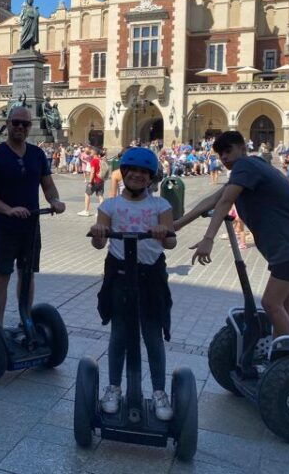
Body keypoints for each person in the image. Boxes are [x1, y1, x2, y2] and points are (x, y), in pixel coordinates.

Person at [175, 131, 289, 338]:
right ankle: (281, 346)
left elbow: (225, 202)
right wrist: (177, 225)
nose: (224, 157)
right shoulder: (251, 167)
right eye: (220, 154)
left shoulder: (244, 166)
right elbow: (213, 200)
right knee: (283, 302)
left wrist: (208, 239)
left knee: (271, 303)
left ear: (243, 148)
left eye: (228, 151)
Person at [89, 147, 177, 421]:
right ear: (124, 173)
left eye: (144, 172)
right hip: (119, 274)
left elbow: (171, 242)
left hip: (150, 276)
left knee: (152, 335)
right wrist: (99, 232)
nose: (138, 175)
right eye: (133, 171)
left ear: (151, 178)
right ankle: (114, 387)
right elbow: (99, 244)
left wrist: (163, 233)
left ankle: (159, 391)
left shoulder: (160, 206)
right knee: (119, 334)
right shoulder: (110, 206)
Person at [0, 106, 66, 326]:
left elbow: (48, 186)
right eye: (16, 122)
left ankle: (25, 321)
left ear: (30, 127)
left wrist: (55, 201)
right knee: (3, 274)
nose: (20, 127)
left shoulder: (37, 154)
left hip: (31, 225)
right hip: (4, 226)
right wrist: (7, 209)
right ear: (7, 124)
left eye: (25, 124)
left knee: (27, 274)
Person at [79, 149, 104, 216]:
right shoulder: (101, 160)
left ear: (95, 153)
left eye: (91, 152)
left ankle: (86, 211)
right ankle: (101, 212)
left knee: (87, 194)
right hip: (101, 180)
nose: (90, 153)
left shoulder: (94, 160)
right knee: (100, 196)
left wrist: (90, 182)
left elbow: (92, 172)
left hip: (95, 180)